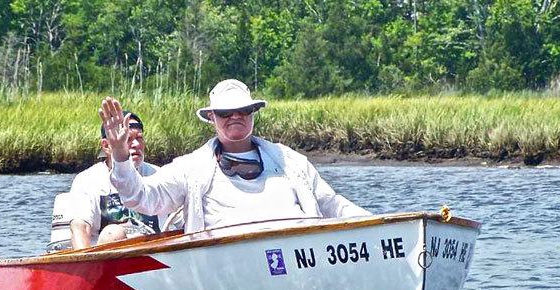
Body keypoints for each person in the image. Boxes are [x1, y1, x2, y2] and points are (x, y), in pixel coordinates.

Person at [98, 79, 371, 234]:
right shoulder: (191, 167)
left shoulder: (290, 160)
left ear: (253, 113)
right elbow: (141, 198)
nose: (235, 117)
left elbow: (332, 205)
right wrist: (121, 156)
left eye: (243, 110)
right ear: (212, 118)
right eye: (226, 113)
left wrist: (385, 225)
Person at [46, 111, 173, 252]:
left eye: (140, 138)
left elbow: (184, 218)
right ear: (106, 146)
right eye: (128, 139)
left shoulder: (160, 175)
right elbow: (80, 227)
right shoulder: (87, 180)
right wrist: (85, 264)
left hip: (156, 255)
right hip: (106, 262)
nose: (136, 144)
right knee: (113, 233)